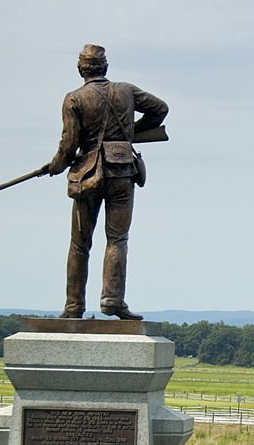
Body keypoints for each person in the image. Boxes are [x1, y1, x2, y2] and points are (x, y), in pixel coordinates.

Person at [47, 44, 168, 320]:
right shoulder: (125, 90)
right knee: (117, 239)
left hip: (87, 175)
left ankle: (73, 306)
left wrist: (55, 165)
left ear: (81, 69)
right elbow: (160, 109)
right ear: (105, 68)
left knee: (79, 243)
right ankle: (112, 299)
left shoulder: (74, 99)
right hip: (122, 172)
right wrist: (128, 136)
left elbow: (69, 146)